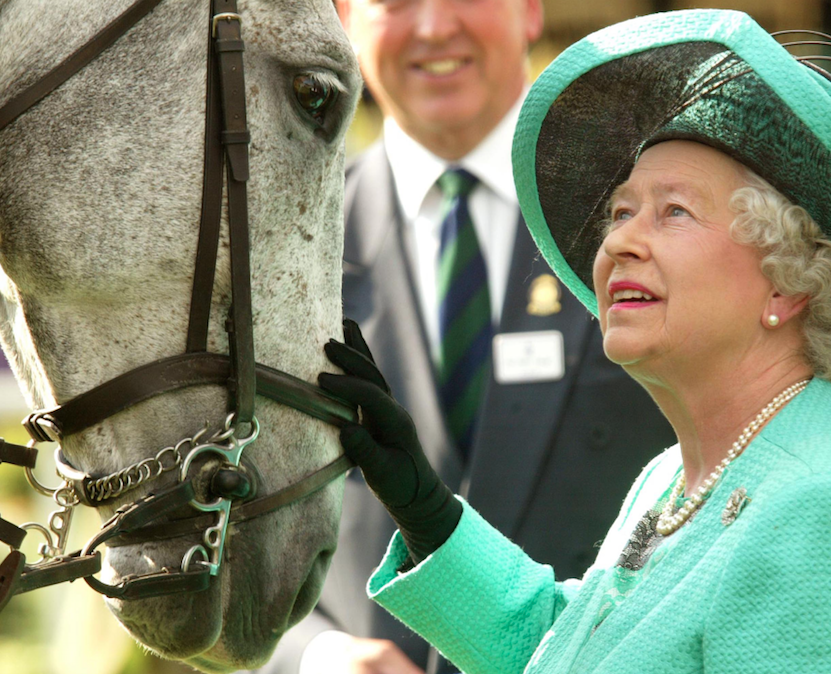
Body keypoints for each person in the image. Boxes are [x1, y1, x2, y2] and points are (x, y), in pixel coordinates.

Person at [316, 9, 831, 673]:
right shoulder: (673, 477)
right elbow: (573, 652)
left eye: (673, 211)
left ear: (787, 283)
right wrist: (429, 515)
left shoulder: (825, 518)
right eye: (621, 211)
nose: (618, 240)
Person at [250, 0, 675, 671]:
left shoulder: (650, 226)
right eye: (395, 1)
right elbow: (214, 529)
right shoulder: (278, 252)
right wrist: (314, 657)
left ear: (530, 10)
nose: (434, 26)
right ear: (342, 20)